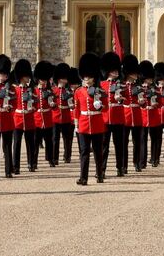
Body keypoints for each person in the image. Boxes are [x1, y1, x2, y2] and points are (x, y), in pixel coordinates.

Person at [74, 52, 106, 185]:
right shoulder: (78, 91)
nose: (87, 79)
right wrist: (76, 125)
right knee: (84, 152)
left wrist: (100, 106)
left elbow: (106, 108)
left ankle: (99, 174)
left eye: (89, 76)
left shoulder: (99, 90)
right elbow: (76, 110)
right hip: (83, 124)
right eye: (85, 76)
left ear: (93, 78)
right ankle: (83, 177)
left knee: (98, 152)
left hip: (97, 123)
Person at [100, 52, 126, 177]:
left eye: (117, 70)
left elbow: (129, 99)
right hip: (105, 118)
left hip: (118, 118)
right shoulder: (102, 85)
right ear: (108, 71)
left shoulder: (121, 85)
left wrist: (121, 98)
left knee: (119, 145)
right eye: (113, 70)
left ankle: (120, 167)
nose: (116, 72)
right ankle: (102, 169)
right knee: (104, 146)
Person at [11, 59, 36, 173]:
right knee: (16, 144)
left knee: (30, 144)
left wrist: (34, 107)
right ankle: (16, 166)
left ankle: (31, 164)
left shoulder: (31, 89)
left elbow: (36, 102)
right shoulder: (14, 89)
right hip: (18, 119)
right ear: (21, 76)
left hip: (29, 118)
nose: (28, 78)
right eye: (26, 76)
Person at [122, 54, 143, 173]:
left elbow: (143, 102)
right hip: (125, 116)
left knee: (137, 142)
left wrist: (142, 102)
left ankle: (137, 163)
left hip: (137, 115)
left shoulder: (139, 87)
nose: (136, 74)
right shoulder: (122, 85)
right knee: (124, 143)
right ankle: (124, 165)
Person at [33, 61, 55, 167]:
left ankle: (51, 159)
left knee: (49, 142)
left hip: (47, 119)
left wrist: (53, 104)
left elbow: (52, 104)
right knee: (36, 142)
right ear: (38, 79)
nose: (44, 81)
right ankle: (34, 162)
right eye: (42, 79)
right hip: (37, 119)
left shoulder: (49, 91)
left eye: (45, 79)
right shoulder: (33, 91)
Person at [52, 63, 75, 165]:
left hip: (66, 117)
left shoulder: (69, 91)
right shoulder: (53, 90)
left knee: (68, 139)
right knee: (55, 139)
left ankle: (67, 156)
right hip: (55, 117)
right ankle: (54, 157)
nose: (65, 80)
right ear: (59, 79)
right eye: (63, 78)